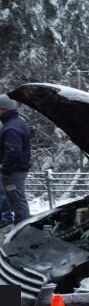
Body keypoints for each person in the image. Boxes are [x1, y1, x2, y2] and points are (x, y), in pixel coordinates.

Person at [0, 94, 31, 225]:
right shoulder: (16, 122)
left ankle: (23, 229)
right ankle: (22, 226)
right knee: (16, 200)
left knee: (17, 201)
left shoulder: (11, 127)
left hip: (14, 171)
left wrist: (4, 170)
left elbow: (13, 151)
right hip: (16, 169)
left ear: (3, 109)